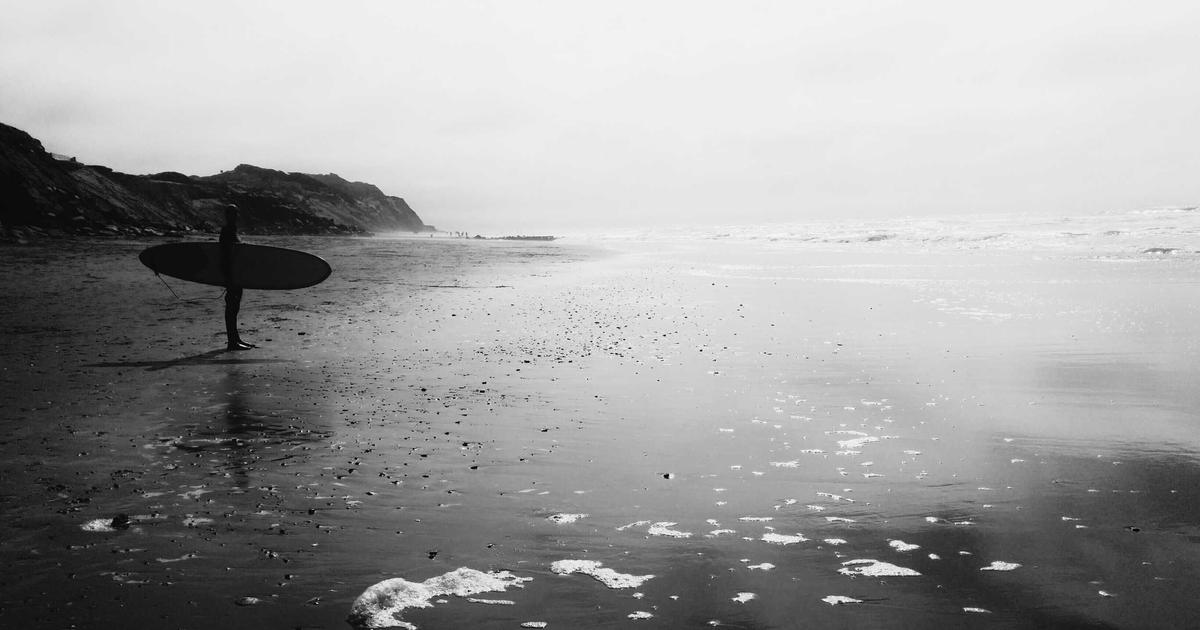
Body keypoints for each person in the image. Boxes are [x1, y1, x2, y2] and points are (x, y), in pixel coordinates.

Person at [220, 204, 255, 350]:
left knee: (235, 308)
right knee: (231, 308)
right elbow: (225, 255)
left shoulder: (233, 230)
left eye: (236, 214)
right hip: (231, 276)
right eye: (232, 214)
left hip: (237, 275)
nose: (235, 216)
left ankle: (236, 339)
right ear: (227, 215)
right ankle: (232, 342)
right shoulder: (226, 231)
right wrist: (228, 277)